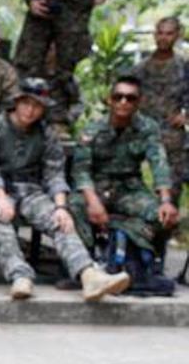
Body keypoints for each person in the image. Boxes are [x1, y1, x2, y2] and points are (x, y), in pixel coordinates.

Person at [0, 77, 129, 301]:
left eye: (37, 106)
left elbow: (54, 173)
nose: (30, 110)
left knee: (61, 221)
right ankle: (20, 276)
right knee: (0, 214)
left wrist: (60, 207)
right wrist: (0, 197)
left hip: (30, 190)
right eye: (26, 103)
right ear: (16, 103)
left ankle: (89, 275)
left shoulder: (46, 133)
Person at [69, 75, 178, 257]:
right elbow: (81, 171)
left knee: (164, 216)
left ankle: (149, 264)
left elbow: (159, 163)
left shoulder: (148, 127)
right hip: (96, 187)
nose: (123, 102)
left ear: (138, 103)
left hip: (130, 189)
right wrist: (93, 202)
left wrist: (166, 201)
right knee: (74, 206)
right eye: (118, 97)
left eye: (130, 98)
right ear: (109, 100)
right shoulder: (92, 129)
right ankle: (84, 265)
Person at [134, 16, 187, 203]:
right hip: (142, 130)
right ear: (154, 35)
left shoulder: (183, 67)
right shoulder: (140, 68)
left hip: (171, 131)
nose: (164, 38)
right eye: (160, 33)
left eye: (169, 33)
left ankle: (169, 223)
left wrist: (185, 115)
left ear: (177, 35)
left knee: (175, 179)